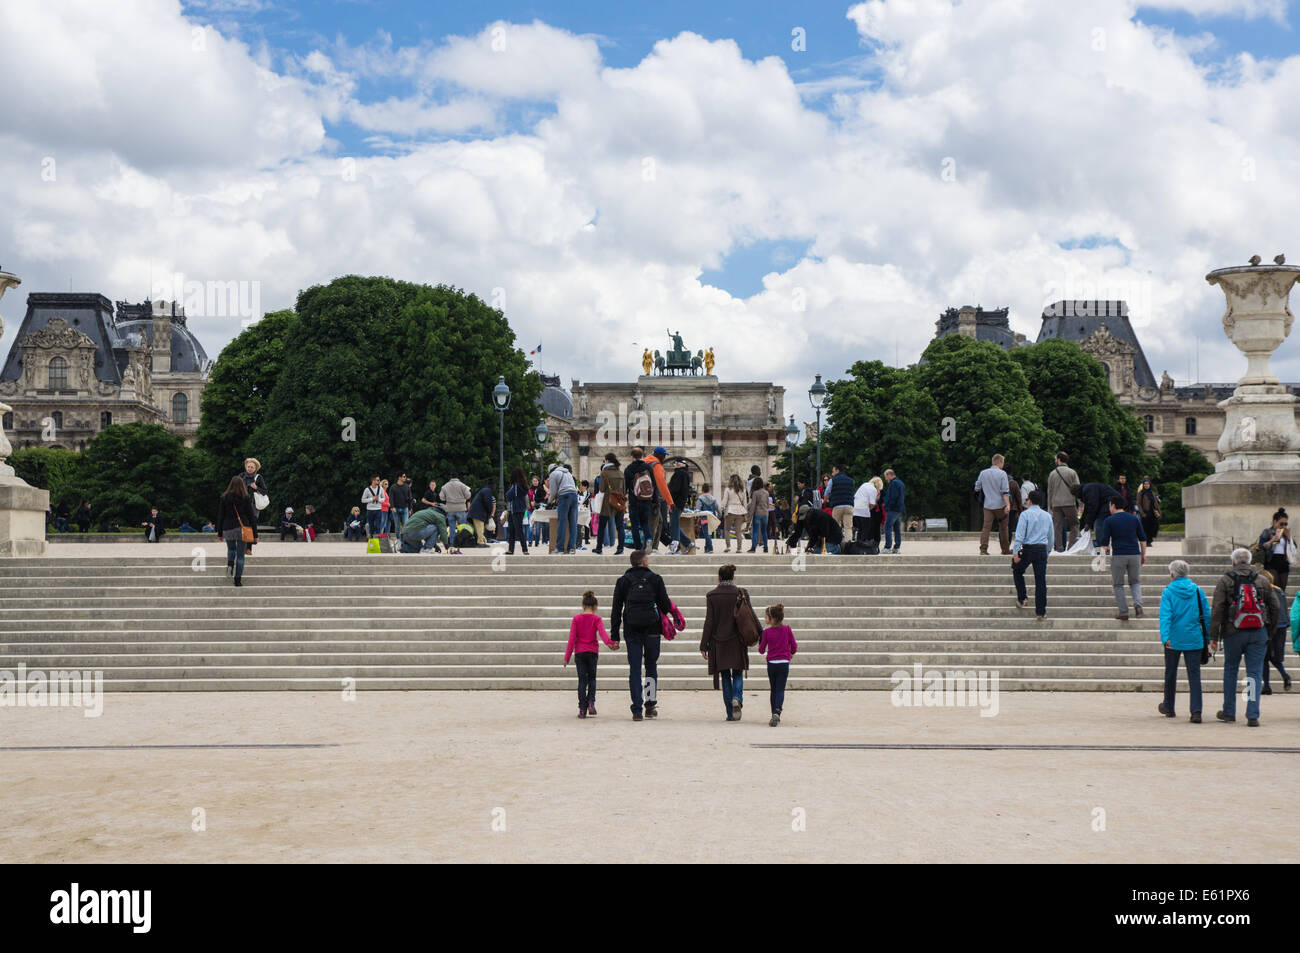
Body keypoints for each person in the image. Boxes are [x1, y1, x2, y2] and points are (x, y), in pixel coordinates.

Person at [1209, 548, 1277, 726]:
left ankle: (1229, 712)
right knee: (1254, 673)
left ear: (1233, 562)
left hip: (1233, 632)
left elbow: (1217, 609)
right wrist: (1269, 631)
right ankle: (1252, 714)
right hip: (1258, 632)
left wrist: (1213, 636)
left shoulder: (1225, 580)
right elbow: (1275, 606)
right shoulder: (1262, 580)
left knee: (1231, 670)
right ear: (1249, 561)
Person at [609, 550, 672, 721]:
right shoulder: (655, 579)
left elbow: (616, 610)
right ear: (644, 562)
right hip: (652, 629)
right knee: (651, 666)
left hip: (631, 629)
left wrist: (614, 635)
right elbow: (665, 605)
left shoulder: (623, 581)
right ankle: (650, 705)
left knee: (635, 669)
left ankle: (637, 709)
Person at [1157, 559, 1209, 722]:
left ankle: (1169, 706)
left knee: (1170, 673)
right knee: (1194, 675)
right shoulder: (1197, 590)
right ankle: (1196, 711)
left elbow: (1166, 616)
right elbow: (1206, 615)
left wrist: (1165, 637)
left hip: (1173, 638)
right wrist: (1207, 638)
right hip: (1194, 637)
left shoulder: (1168, 591)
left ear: (1172, 574)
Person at [701, 563, 750, 720]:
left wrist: (704, 645)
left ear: (719, 577)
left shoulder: (712, 596)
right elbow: (749, 616)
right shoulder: (741, 593)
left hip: (718, 641)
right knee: (737, 672)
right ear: (733, 577)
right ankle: (737, 697)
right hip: (737, 639)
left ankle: (730, 713)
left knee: (725, 676)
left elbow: (709, 622)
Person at [565, 589, 618, 718]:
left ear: (583, 606)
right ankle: (591, 702)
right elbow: (604, 636)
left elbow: (572, 639)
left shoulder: (576, 619)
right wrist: (612, 644)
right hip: (592, 653)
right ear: (595, 607)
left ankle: (582, 709)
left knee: (582, 681)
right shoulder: (597, 619)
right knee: (592, 679)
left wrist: (566, 657)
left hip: (580, 653)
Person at [1096, 498, 1148, 621]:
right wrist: (1143, 555)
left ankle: (1124, 612)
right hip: (1134, 554)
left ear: (1113, 505)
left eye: (1110, 505)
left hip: (1119, 555)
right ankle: (1138, 606)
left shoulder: (1109, 520)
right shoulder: (1134, 518)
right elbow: (1142, 539)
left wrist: (1102, 560)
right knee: (1135, 582)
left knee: (1118, 584)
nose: (1109, 508)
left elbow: (1104, 543)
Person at [1011, 489, 1052, 621]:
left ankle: (1022, 597)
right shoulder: (1047, 515)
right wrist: (1048, 551)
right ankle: (1041, 612)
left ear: (1029, 500)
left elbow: (1020, 535)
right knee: (1040, 581)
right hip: (1041, 548)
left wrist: (1016, 552)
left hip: (1027, 548)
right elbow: (1051, 537)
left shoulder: (1025, 514)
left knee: (1017, 570)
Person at [759, 602, 797, 727]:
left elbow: (761, 650)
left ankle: (773, 713)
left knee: (773, 689)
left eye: (766, 617)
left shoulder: (766, 632)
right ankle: (777, 711)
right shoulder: (787, 629)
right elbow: (794, 646)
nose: (765, 619)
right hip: (784, 663)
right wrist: (790, 654)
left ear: (772, 619)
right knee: (780, 688)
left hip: (772, 664)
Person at [216, 475, 256, 587]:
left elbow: (221, 516)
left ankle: (230, 563)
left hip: (228, 528)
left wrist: (219, 533)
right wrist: (255, 534)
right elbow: (251, 516)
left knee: (231, 549)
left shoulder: (224, 497)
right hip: (242, 528)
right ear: (242, 485)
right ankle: (237, 580)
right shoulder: (246, 498)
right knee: (241, 556)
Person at [1259, 568, 1291, 694]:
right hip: (1282, 626)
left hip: (1269, 626)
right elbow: (1284, 608)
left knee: (1264, 658)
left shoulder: (1264, 591)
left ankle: (1267, 685)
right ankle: (1284, 676)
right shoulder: (1280, 591)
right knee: (1275, 657)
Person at [974, 454, 1012, 556]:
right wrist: (1008, 504)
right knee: (1003, 528)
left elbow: (977, 487)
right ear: (999, 462)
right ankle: (1005, 549)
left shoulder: (983, 473)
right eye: (1003, 462)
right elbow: (1005, 491)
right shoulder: (1002, 474)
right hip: (1001, 506)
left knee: (986, 528)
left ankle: (983, 549)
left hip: (988, 505)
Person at [1046, 452, 1080, 552]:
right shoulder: (1072, 472)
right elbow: (1077, 489)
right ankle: (1071, 547)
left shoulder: (1052, 473)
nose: (1055, 461)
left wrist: (1050, 505)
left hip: (1056, 504)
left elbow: (1050, 491)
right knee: (1075, 525)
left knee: (1057, 527)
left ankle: (1059, 549)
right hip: (1069, 503)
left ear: (1059, 460)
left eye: (1056, 459)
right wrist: (1081, 504)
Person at [593, 454, 626, 556]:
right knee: (620, 526)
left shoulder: (604, 473)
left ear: (607, 461)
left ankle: (599, 548)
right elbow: (624, 490)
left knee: (602, 525)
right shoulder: (621, 473)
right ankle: (620, 548)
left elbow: (602, 489)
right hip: (619, 502)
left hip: (608, 502)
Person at [1257, 508, 1294, 592]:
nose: (1284, 526)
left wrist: (1289, 538)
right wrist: (1271, 541)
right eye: (1281, 523)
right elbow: (1261, 546)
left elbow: (1294, 547)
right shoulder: (1267, 532)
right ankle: (1274, 604)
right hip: (1271, 561)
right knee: (1274, 587)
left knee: (1282, 589)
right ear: (1275, 521)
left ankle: (1281, 604)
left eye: (1286, 524)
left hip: (1284, 561)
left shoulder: (1285, 533)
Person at [646, 447, 675, 551]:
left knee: (659, 522)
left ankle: (654, 547)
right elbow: (662, 485)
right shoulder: (656, 466)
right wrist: (670, 502)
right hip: (653, 499)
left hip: (642, 498)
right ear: (659, 455)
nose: (664, 458)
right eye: (664, 455)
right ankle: (651, 548)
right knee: (654, 524)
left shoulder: (645, 462)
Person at [548, 462, 580, 554]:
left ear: (550, 471)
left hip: (564, 497)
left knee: (562, 522)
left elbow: (553, 491)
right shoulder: (568, 473)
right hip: (574, 497)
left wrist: (549, 502)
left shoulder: (553, 474)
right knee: (573, 523)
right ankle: (571, 548)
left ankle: (560, 548)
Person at [239, 458, 268, 552]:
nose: (250, 468)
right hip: (242, 504)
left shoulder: (258, 478)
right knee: (243, 524)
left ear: (256, 468)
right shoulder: (241, 476)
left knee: (251, 524)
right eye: (248, 467)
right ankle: (243, 545)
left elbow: (265, 491)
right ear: (246, 467)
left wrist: (256, 488)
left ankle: (249, 548)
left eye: (252, 467)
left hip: (253, 505)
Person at [666, 457, 693, 553]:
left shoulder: (678, 474)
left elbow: (675, 489)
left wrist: (668, 493)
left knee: (673, 525)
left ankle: (676, 549)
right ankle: (687, 543)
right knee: (674, 524)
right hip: (680, 503)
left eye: (675, 463)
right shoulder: (685, 474)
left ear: (678, 464)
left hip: (675, 502)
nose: (674, 464)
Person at [825, 463, 855, 543]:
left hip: (837, 505)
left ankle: (836, 544)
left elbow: (827, 492)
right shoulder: (851, 480)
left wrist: (825, 500)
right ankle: (848, 546)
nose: (832, 473)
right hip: (849, 506)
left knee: (836, 526)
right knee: (848, 527)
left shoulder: (833, 480)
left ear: (837, 470)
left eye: (833, 471)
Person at [503, 468, 530, 555]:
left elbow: (508, 496)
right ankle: (511, 549)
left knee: (518, 530)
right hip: (514, 510)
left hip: (516, 510)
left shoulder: (516, 486)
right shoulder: (521, 485)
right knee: (512, 530)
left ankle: (524, 549)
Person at [720, 474, 748, 553]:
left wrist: (721, 509)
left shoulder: (728, 489)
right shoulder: (743, 490)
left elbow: (724, 501)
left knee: (727, 530)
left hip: (730, 511)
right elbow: (745, 503)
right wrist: (745, 512)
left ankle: (728, 547)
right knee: (738, 531)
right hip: (740, 511)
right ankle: (739, 548)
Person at [881, 469, 905, 554]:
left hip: (893, 509)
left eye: (886, 477)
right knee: (897, 529)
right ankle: (897, 548)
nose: (886, 479)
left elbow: (893, 497)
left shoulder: (894, 483)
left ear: (889, 475)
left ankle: (888, 547)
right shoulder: (900, 483)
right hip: (899, 509)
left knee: (887, 527)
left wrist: (886, 505)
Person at [747, 477, 770, 553]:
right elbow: (767, 505)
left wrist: (749, 517)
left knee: (755, 532)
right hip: (765, 514)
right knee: (764, 531)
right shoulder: (767, 493)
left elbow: (753, 506)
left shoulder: (755, 493)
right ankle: (766, 547)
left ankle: (753, 547)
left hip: (757, 514)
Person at [851, 477, 877, 545]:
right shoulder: (873, 489)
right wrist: (870, 508)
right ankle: (863, 545)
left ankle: (858, 545)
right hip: (864, 511)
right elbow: (872, 503)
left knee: (860, 529)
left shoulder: (864, 485)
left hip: (856, 510)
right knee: (866, 529)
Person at [695, 482, 717, 554]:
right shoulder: (713, 499)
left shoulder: (700, 499)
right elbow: (718, 509)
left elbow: (697, 509)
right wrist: (719, 515)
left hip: (704, 518)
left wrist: (696, 517)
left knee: (706, 534)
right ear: (709, 490)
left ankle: (710, 548)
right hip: (712, 518)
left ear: (702, 490)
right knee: (709, 533)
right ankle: (706, 548)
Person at [1138, 477, 1161, 546]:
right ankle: (1147, 541)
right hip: (1145, 512)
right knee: (1146, 527)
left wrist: (1158, 511)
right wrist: (1142, 513)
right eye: (1145, 484)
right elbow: (1138, 503)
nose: (1146, 485)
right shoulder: (1141, 493)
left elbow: (1155, 502)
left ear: (1150, 485)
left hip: (1153, 512)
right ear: (1143, 485)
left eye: (1147, 484)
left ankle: (1150, 539)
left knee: (1154, 526)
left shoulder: (1152, 492)